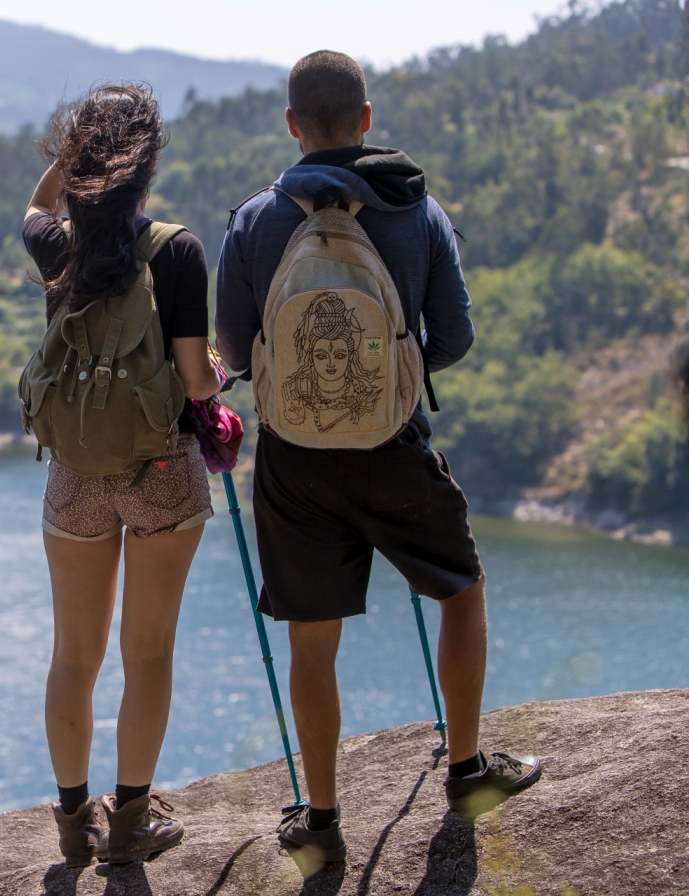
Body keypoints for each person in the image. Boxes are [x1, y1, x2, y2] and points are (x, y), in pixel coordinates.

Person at [214, 51, 541, 869]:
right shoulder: (415, 211)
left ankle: (321, 820)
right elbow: (455, 338)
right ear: (366, 119)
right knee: (461, 594)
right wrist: (391, 371)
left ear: (292, 126)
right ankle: (467, 772)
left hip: (295, 466)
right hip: (394, 449)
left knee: (311, 644)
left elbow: (236, 352)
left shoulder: (254, 221)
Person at [22, 83, 222, 868]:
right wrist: (218, 373)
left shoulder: (55, 245)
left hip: (74, 473)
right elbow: (195, 382)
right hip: (161, 470)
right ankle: (133, 819)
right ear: (147, 167)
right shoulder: (176, 250)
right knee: (149, 654)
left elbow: (32, 209)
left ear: (77, 165)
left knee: (74, 655)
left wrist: (66, 165)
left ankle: (76, 826)